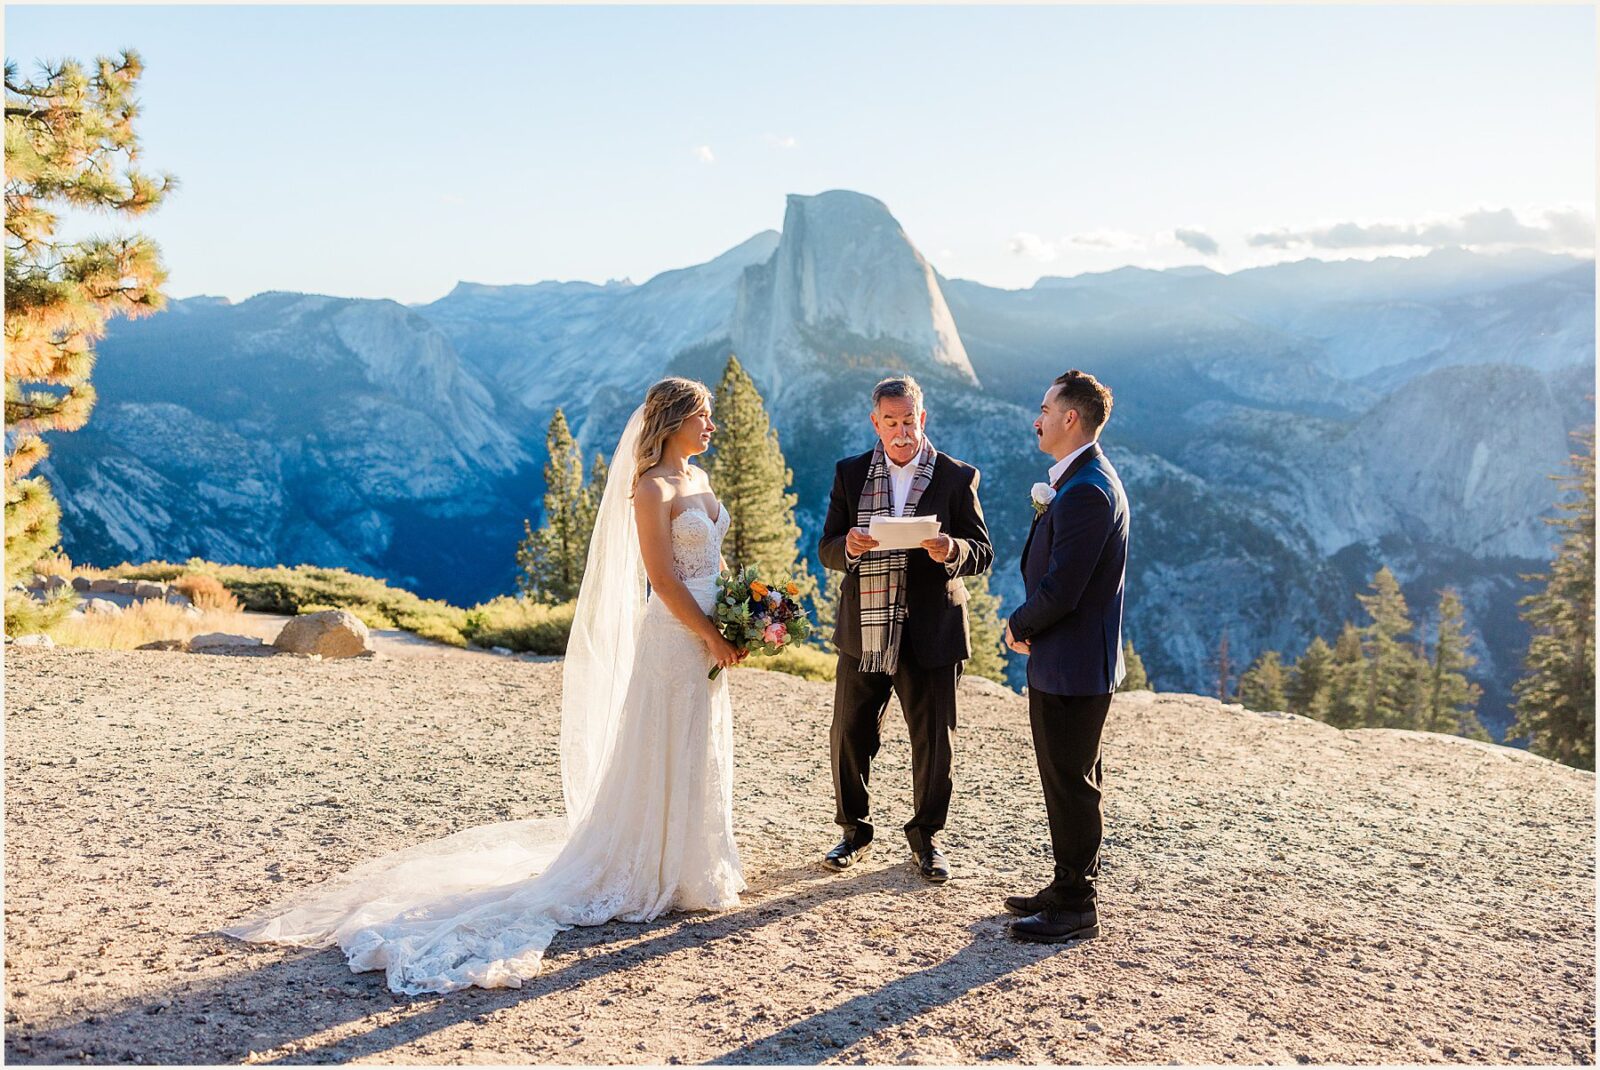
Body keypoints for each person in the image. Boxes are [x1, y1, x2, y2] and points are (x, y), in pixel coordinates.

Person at [223, 377, 748, 993]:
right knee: (664, 739)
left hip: (711, 630)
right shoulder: (651, 488)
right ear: (675, 419)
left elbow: (712, 561)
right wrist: (710, 634)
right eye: (703, 416)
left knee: (699, 741)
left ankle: (690, 863)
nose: (711, 426)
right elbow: (663, 577)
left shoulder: (700, 480)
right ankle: (647, 865)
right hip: (676, 635)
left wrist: (744, 613)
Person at [817, 375, 994, 883]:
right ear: (875, 422)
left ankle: (926, 839)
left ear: (923, 418)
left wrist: (953, 549)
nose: (901, 432)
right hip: (864, 631)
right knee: (849, 734)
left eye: (909, 421)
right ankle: (853, 832)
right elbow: (827, 547)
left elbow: (983, 552)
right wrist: (849, 547)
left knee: (934, 742)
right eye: (891, 422)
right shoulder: (850, 473)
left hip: (930, 631)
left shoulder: (957, 476)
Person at [1003, 369, 1128, 943]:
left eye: (1046, 409)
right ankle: (1067, 885)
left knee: (1070, 783)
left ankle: (1076, 904)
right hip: (1071, 660)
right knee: (1071, 777)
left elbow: (1063, 589)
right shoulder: (1082, 479)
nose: (1038, 419)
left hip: (1072, 666)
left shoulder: (1086, 491)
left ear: (1070, 418)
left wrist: (1018, 624)